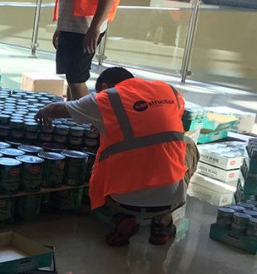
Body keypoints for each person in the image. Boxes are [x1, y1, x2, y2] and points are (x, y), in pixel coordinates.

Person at [34, 67, 198, 246]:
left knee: (107, 158)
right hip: (170, 197)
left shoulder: (107, 97)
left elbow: (58, 109)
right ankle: (162, 222)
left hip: (123, 199)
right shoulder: (169, 91)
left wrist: (43, 113)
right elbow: (154, 123)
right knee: (187, 144)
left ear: (104, 86)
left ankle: (122, 218)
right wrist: (106, 122)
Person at [53, 0, 119, 100]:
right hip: (70, 26)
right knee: (71, 78)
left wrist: (94, 27)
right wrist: (60, 27)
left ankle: (84, 114)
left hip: (84, 28)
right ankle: (72, 113)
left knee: (76, 80)